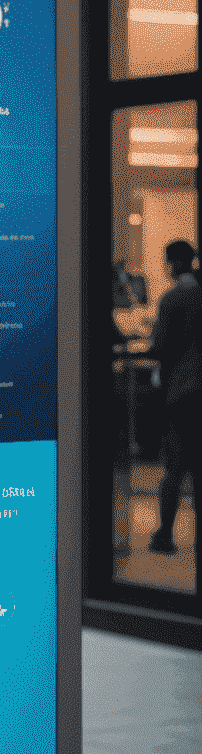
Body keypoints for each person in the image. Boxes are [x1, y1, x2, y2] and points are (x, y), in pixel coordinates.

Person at [147, 238, 202, 555]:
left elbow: (161, 349)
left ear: (175, 262)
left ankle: (165, 536)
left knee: (175, 468)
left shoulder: (172, 299)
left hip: (181, 391)